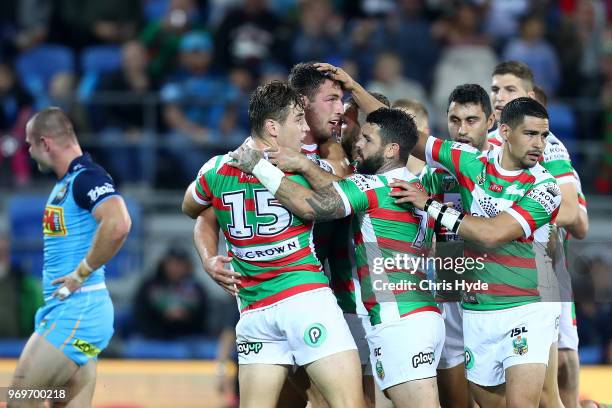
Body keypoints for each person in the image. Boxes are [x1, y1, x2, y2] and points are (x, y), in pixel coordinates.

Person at [316, 64, 561, 408]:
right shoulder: (464, 163)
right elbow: (403, 134)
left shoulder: (545, 185)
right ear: (506, 133)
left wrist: (431, 207)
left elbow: (491, 234)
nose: (540, 145)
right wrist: (354, 85)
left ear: (493, 125)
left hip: (525, 303)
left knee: (539, 401)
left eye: (543, 136)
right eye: (455, 121)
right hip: (469, 300)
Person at [229, 107, 445, 408]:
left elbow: (309, 207)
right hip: (421, 313)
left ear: (391, 150)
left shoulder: (374, 188)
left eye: (367, 140)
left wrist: (260, 167)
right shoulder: (420, 184)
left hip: (399, 318)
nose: (358, 143)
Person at [181, 81, 365, 408]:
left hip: (253, 310)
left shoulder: (215, 168)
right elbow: (347, 198)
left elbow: (192, 207)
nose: (305, 127)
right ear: (272, 127)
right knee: (349, 404)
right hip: (304, 299)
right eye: (297, 119)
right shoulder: (298, 167)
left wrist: (209, 258)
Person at [10, 107, 131, 408]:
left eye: (29, 144)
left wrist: (82, 272)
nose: (27, 151)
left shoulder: (85, 178)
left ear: (45, 144)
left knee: (19, 399)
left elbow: (118, 223)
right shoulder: (70, 181)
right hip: (77, 315)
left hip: (77, 315)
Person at [488, 60, 588, 408]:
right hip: (490, 273)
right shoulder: (487, 139)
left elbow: (575, 215)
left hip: (542, 267)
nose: (500, 96)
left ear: (530, 97)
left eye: (510, 89)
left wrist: (514, 221)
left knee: (558, 362)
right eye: (495, 89)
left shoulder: (551, 146)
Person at [418, 84, 495, 408]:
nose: (461, 130)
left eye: (471, 120)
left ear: (490, 121)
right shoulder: (434, 174)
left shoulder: (503, 167)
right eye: (454, 120)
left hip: (497, 281)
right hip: (449, 276)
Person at [133, 246, 208, 340]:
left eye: (180, 264)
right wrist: (162, 315)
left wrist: (186, 315)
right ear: (163, 264)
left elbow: (203, 316)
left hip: (188, 337)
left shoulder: (196, 288)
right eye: (172, 263)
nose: (175, 268)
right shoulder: (149, 286)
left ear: (188, 266)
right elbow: (140, 314)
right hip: (153, 336)